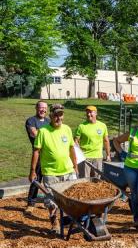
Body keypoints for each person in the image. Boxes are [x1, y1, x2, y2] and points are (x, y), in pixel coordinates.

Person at [28, 104, 78, 233]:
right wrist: (33, 171)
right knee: (51, 201)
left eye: (60, 115)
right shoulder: (43, 132)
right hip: (51, 173)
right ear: (50, 116)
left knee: (72, 198)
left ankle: (69, 220)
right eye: (55, 115)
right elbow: (36, 151)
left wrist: (75, 166)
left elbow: (72, 148)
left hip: (68, 170)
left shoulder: (67, 129)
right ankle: (54, 221)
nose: (58, 118)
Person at [24, 100, 50, 214]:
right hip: (38, 155)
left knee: (49, 180)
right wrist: (49, 134)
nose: (42, 110)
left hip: (49, 155)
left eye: (45, 108)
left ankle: (49, 202)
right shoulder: (31, 121)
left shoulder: (49, 121)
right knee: (36, 179)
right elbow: (34, 134)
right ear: (36, 108)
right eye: (40, 107)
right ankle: (31, 203)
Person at [74, 105, 110, 178]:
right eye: (87, 112)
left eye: (91, 112)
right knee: (84, 180)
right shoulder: (81, 126)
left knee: (97, 180)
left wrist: (108, 155)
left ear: (96, 113)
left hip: (98, 157)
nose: (88, 114)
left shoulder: (102, 126)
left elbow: (106, 141)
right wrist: (80, 154)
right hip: (85, 158)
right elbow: (75, 141)